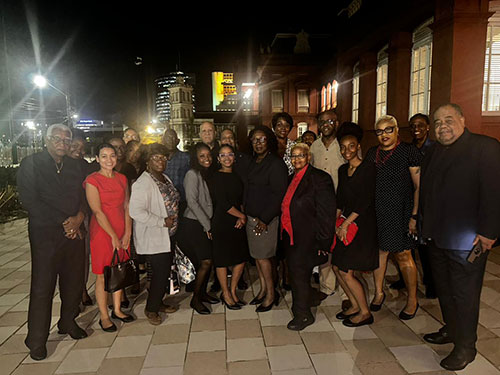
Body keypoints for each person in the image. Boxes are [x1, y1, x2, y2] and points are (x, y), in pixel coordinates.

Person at [420, 103, 500, 371]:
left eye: (449, 120)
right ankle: (452, 330)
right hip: (436, 237)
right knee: (445, 290)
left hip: (469, 242)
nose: (443, 126)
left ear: (463, 120)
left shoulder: (485, 147)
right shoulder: (432, 151)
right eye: (438, 122)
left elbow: (494, 193)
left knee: (465, 295)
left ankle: (466, 347)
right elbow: (428, 191)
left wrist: (489, 233)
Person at [17, 124, 88, 360]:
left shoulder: (75, 165)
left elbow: (84, 195)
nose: (62, 143)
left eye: (66, 140)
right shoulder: (32, 164)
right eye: (57, 138)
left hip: (74, 233)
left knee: (74, 282)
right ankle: (36, 339)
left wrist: (78, 217)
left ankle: (67, 321)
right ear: (46, 140)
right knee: (43, 287)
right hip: (45, 234)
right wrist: (64, 222)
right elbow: (29, 200)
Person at [365, 115, 421, 320]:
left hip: (402, 211)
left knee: (403, 256)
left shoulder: (408, 152)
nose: (384, 135)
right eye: (379, 131)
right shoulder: (373, 153)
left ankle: (412, 299)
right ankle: (379, 293)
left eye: (388, 130)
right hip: (378, 211)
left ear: (397, 130)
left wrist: (414, 215)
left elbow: (418, 187)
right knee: (380, 253)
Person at [281, 143, 336, 330]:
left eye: (301, 156)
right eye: (293, 156)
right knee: (298, 275)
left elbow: (326, 214)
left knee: (299, 275)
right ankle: (309, 300)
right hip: (291, 236)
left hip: (308, 238)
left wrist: (324, 241)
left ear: (309, 157)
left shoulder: (320, 179)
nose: (297, 159)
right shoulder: (290, 178)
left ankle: (303, 315)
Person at [84, 143, 135, 332]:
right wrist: (113, 235)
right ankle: (104, 316)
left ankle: (118, 309)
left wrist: (128, 232)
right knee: (102, 275)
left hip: (122, 229)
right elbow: (97, 211)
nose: (108, 160)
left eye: (112, 155)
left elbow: (127, 206)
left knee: (119, 270)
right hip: (102, 232)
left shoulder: (122, 178)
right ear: (97, 159)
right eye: (103, 156)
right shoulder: (92, 180)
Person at [331, 123, 378, 327]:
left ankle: (365, 312)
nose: (347, 151)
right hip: (345, 224)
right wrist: (336, 221)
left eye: (351, 146)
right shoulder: (343, 170)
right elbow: (340, 199)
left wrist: (346, 224)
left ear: (358, 146)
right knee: (336, 267)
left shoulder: (368, 169)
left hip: (361, 225)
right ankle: (354, 305)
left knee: (346, 271)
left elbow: (365, 201)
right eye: (343, 147)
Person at [129, 143, 180, 325]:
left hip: (168, 234)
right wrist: (161, 221)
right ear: (147, 161)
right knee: (159, 273)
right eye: (156, 158)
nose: (161, 161)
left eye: (163, 158)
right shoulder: (143, 182)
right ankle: (151, 309)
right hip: (154, 235)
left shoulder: (164, 177)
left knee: (164, 271)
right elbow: (135, 211)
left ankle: (158, 302)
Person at [391, 113, 436, 298]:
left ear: (428, 127)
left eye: (420, 125)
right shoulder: (407, 149)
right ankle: (404, 278)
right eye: (412, 125)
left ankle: (431, 283)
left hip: (428, 201)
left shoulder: (434, 149)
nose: (416, 128)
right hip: (408, 200)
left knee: (425, 247)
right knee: (405, 244)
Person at [245, 126, 288, 312]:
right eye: (255, 140)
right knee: (258, 257)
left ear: (269, 141)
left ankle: (271, 295)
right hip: (251, 218)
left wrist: (264, 218)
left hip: (266, 220)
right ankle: (263, 290)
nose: (258, 143)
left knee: (264, 258)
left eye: (262, 139)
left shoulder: (276, 164)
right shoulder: (254, 161)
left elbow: (279, 195)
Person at [177, 142, 219, 314]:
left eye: (208, 155)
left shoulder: (206, 174)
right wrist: (207, 225)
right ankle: (195, 299)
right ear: (195, 158)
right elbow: (192, 202)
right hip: (194, 223)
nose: (206, 158)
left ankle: (202, 294)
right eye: (202, 156)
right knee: (205, 261)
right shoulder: (192, 174)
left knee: (207, 261)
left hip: (203, 222)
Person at [310, 110, 345, 302]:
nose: (326, 124)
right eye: (322, 121)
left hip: (343, 204)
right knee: (324, 244)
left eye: (330, 120)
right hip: (320, 206)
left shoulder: (345, 145)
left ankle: (347, 290)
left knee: (343, 246)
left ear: (336, 123)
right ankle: (326, 285)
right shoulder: (314, 147)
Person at [208, 144, 249, 309]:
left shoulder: (238, 176)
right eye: (223, 155)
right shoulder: (216, 178)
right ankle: (225, 293)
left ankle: (233, 291)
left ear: (234, 157)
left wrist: (242, 216)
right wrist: (242, 215)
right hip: (222, 222)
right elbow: (223, 203)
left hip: (238, 221)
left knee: (241, 258)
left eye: (230, 154)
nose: (227, 158)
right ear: (218, 159)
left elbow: (241, 199)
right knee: (223, 260)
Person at [66, 130, 93, 307]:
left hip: (83, 216)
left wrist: (81, 218)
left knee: (83, 256)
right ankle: (71, 295)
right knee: (66, 260)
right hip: (63, 219)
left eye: (82, 147)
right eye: (75, 146)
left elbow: (87, 194)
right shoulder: (59, 165)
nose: (79, 150)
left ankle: (82, 289)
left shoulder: (85, 166)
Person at [162, 129, 190, 212]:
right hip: (163, 202)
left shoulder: (186, 158)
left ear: (178, 141)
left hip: (181, 201)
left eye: (173, 138)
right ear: (163, 140)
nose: (170, 141)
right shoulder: (159, 159)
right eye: (168, 138)